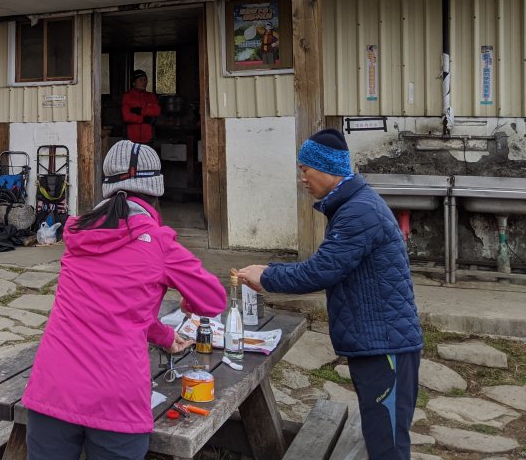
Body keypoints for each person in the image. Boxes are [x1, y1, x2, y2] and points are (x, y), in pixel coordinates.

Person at [22, 141, 227, 460]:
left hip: (52, 389)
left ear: (107, 188)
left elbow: (121, 311)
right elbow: (213, 299)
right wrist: (190, 302)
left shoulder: (77, 237)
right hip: (116, 399)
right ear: (156, 192)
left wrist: (165, 336)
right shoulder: (160, 244)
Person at [237, 129, 422, 460]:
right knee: (380, 437)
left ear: (324, 169)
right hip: (376, 341)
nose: (302, 179)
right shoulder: (353, 205)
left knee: (388, 446)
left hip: (387, 347)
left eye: (304, 171)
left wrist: (266, 275)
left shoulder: (358, 212)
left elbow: (321, 271)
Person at [121, 69, 161, 144]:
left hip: (148, 138)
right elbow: (126, 117)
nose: (144, 82)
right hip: (131, 139)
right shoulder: (127, 96)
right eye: (141, 80)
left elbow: (157, 111)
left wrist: (140, 111)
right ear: (133, 83)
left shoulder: (151, 96)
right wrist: (144, 119)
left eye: (145, 80)